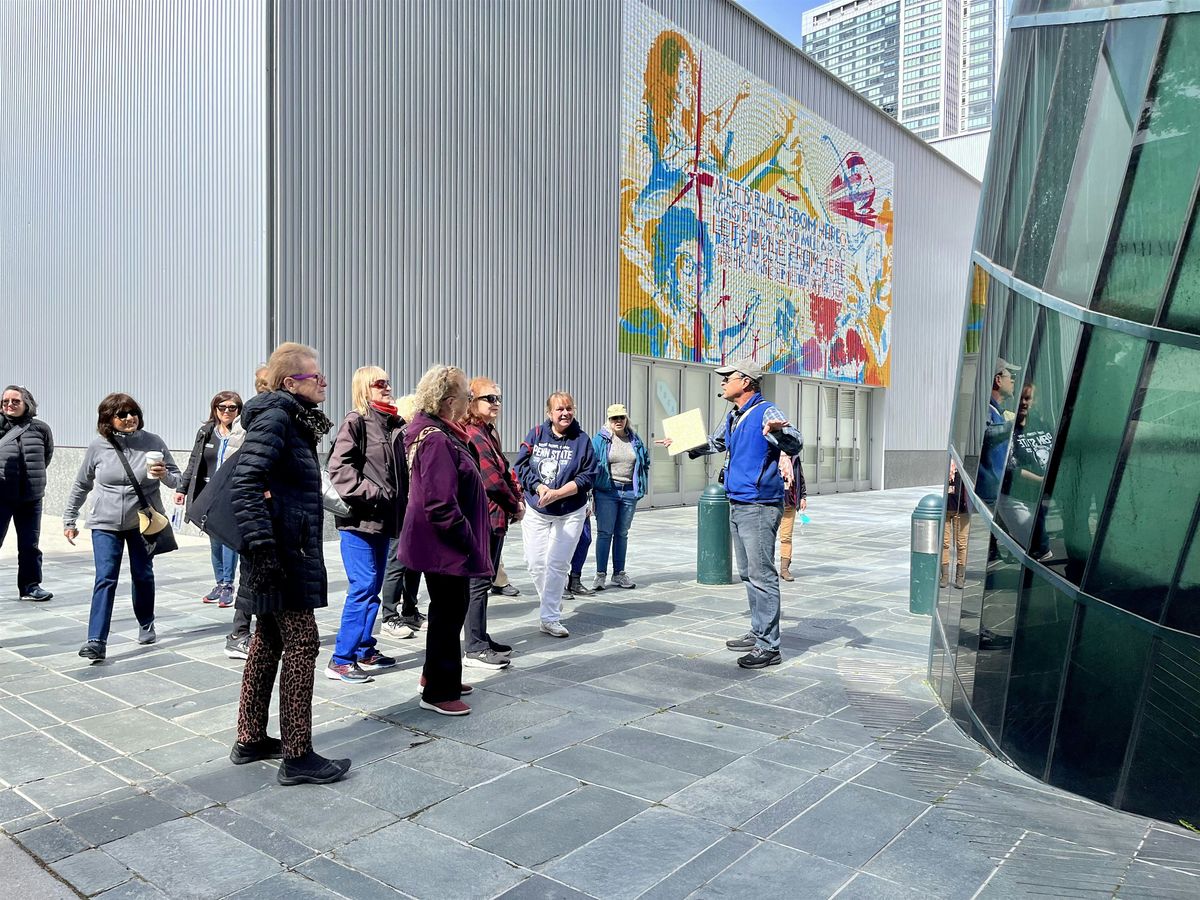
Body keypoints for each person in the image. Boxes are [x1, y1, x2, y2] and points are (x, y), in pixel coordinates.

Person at [228, 342, 350, 785]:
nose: (324, 383)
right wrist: (263, 551)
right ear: (289, 383)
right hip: (279, 553)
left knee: (266, 642)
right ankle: (298, 755)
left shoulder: (292, 421)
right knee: (302, 643)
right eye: (315, 377)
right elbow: (246, 483)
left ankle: (250, 737)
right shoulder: (278, 417)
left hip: (282, 549)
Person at [665, 358, 801, 669]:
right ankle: (758, 632)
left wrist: (781, 433)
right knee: (748, 574)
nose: (723, 382)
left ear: (747, 382)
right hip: (738, 501)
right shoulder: (736, 415)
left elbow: (796, 441)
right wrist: (687, 443)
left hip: (758, 505)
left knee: (763, 575)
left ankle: (769, 647)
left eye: (729, 377)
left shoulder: (767, 411)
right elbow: (718, 443)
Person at [397, 365, 491, 715]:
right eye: (468, 396)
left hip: (441, 543)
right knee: (449, 613)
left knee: (446, 612)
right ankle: (439, 691)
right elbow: (439, 503)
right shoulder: (436, 438)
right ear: (450, 401)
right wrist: (468, 538)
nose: (470, 402)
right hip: (445, 545)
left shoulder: (438, 432)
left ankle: (435, 674)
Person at [64, 393, 180, 661]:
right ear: (108, 420)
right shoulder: (98, 447)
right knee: (105, 577)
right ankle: (96, 640)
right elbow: (82, 483)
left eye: (133, 412)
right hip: (104, 521)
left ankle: (146, 621)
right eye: (122, 415)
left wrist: (165, 475)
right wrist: (69, 519)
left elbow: (178, 481)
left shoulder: (153, 442)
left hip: (143, 522)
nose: (129, 418)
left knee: (142, 574)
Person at [325, 367, 403, 683]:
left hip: (383, 521)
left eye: (388, 381)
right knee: (363, 587)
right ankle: (340, 659)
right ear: (364, 388)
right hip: (359, 521)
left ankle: (364, 650)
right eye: (379, 383)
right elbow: (339, 470)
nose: (387, 387)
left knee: (373, 588)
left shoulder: (391, 424)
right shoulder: (356, 421)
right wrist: (378, 495)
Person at [515, 392, 596, 638]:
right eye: (559, 409)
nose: (565, 413)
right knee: (535, 562)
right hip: (538, 508)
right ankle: (551, 601)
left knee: (557, 564)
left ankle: (549, 617)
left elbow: (588, 476)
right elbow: (521, 466)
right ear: (549, 413)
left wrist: (559, 493)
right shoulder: (536, 434)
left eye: (569, 408)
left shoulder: (582, 440)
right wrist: (540, 488)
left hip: (570, 511)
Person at [462, 379, 522, 669]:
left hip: (495, 517)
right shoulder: (473, 433)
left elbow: (505, 471)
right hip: (484, 517)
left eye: (498, 398)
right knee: (477, 584)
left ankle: (481, 637)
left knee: (484, 582)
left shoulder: (488, 431)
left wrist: (516, 495)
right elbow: (492, 481)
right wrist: (516, 504)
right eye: (489, 398)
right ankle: (473, 647)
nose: (496, 403)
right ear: (472, 401)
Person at [176, 392, 246, 615]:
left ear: (239, 410)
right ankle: (219, 582)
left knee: (228, 540)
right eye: (221, 407)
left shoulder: (244, 432)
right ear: (214, 409)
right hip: (207, 493)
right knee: (214, 540)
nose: (226, 411)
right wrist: (182, 489)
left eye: (232, 407)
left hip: (231, 493)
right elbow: (194, 462)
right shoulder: (206, 432)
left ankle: (228, 584)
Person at [0, 385, 55, 601]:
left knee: (30, 545)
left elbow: (46, 457)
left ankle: (30, 586)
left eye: (15, 401)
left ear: (27, 404)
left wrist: (32, 479)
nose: (10, 405)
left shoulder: (41, 429)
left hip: (31, 498)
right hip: (1, 495)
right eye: (5, 401)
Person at [380, 393, 426, 638]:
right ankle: (389, 615)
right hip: (403, 510)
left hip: (416, 510)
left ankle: (410, 610)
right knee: (397, 561)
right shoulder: (403, 438)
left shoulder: (416, 438)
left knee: (414, 563)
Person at [591, 403, 651, 590]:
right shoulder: (601, 439)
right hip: (607, 491)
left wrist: (640, 481)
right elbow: (591, 463)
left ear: (626, 419)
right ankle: (600, 575)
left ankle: (619, 574)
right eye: (614, 418)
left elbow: (644, 460)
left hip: (629, 492)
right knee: (604, 533)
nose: (618, 421)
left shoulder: (635, 439)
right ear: (608, 420)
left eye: (621, 417)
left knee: (622, 534)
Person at [976, 358, 1018, 504]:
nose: (1013, 381)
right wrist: (1014, 425)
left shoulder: (998, 413)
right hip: (989, 499)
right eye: (1011, 376)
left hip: (999, 495)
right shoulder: (985, 409)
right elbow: (986, 434)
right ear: (998, 380)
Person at [776, 451, 807, 583]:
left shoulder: (794, 457)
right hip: (772, 502)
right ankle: (765, 568)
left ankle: (784, 569)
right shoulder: (771, 453)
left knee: (786, 537)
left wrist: (803, 497)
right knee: (766, 537)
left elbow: (800, 477)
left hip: (790, 502)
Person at [942, 458, 970, 589]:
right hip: (946, 508)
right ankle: (945, 576)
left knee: (961, 544)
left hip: (962, 510)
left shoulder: (967, 464)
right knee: (944, 543)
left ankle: (960, 577)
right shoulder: (947, 463)